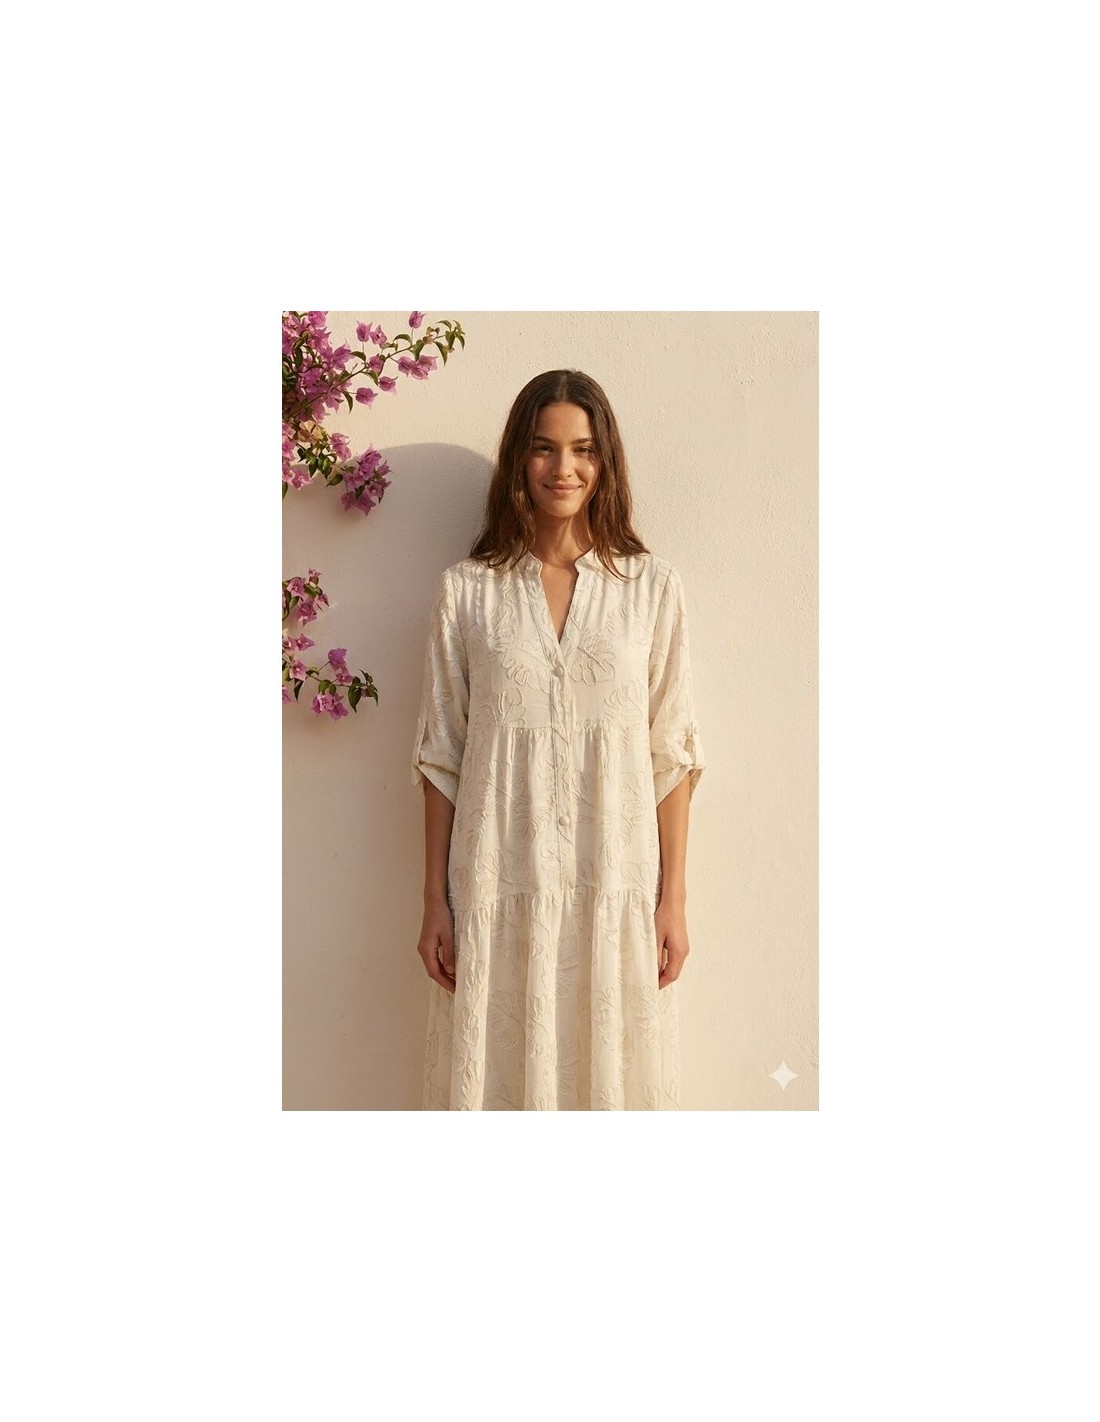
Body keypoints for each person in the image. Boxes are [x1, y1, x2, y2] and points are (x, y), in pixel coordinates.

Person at [411, 369, 705, 1110]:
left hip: (615, 882)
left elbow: (672, 756)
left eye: (583, 449)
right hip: (497, 880)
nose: (563, 468)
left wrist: (672, 900)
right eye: (544, 447)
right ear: (519, 456)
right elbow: (441, 756)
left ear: (606, 461)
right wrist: (435, 902)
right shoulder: (468, 592)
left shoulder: (651, 590)